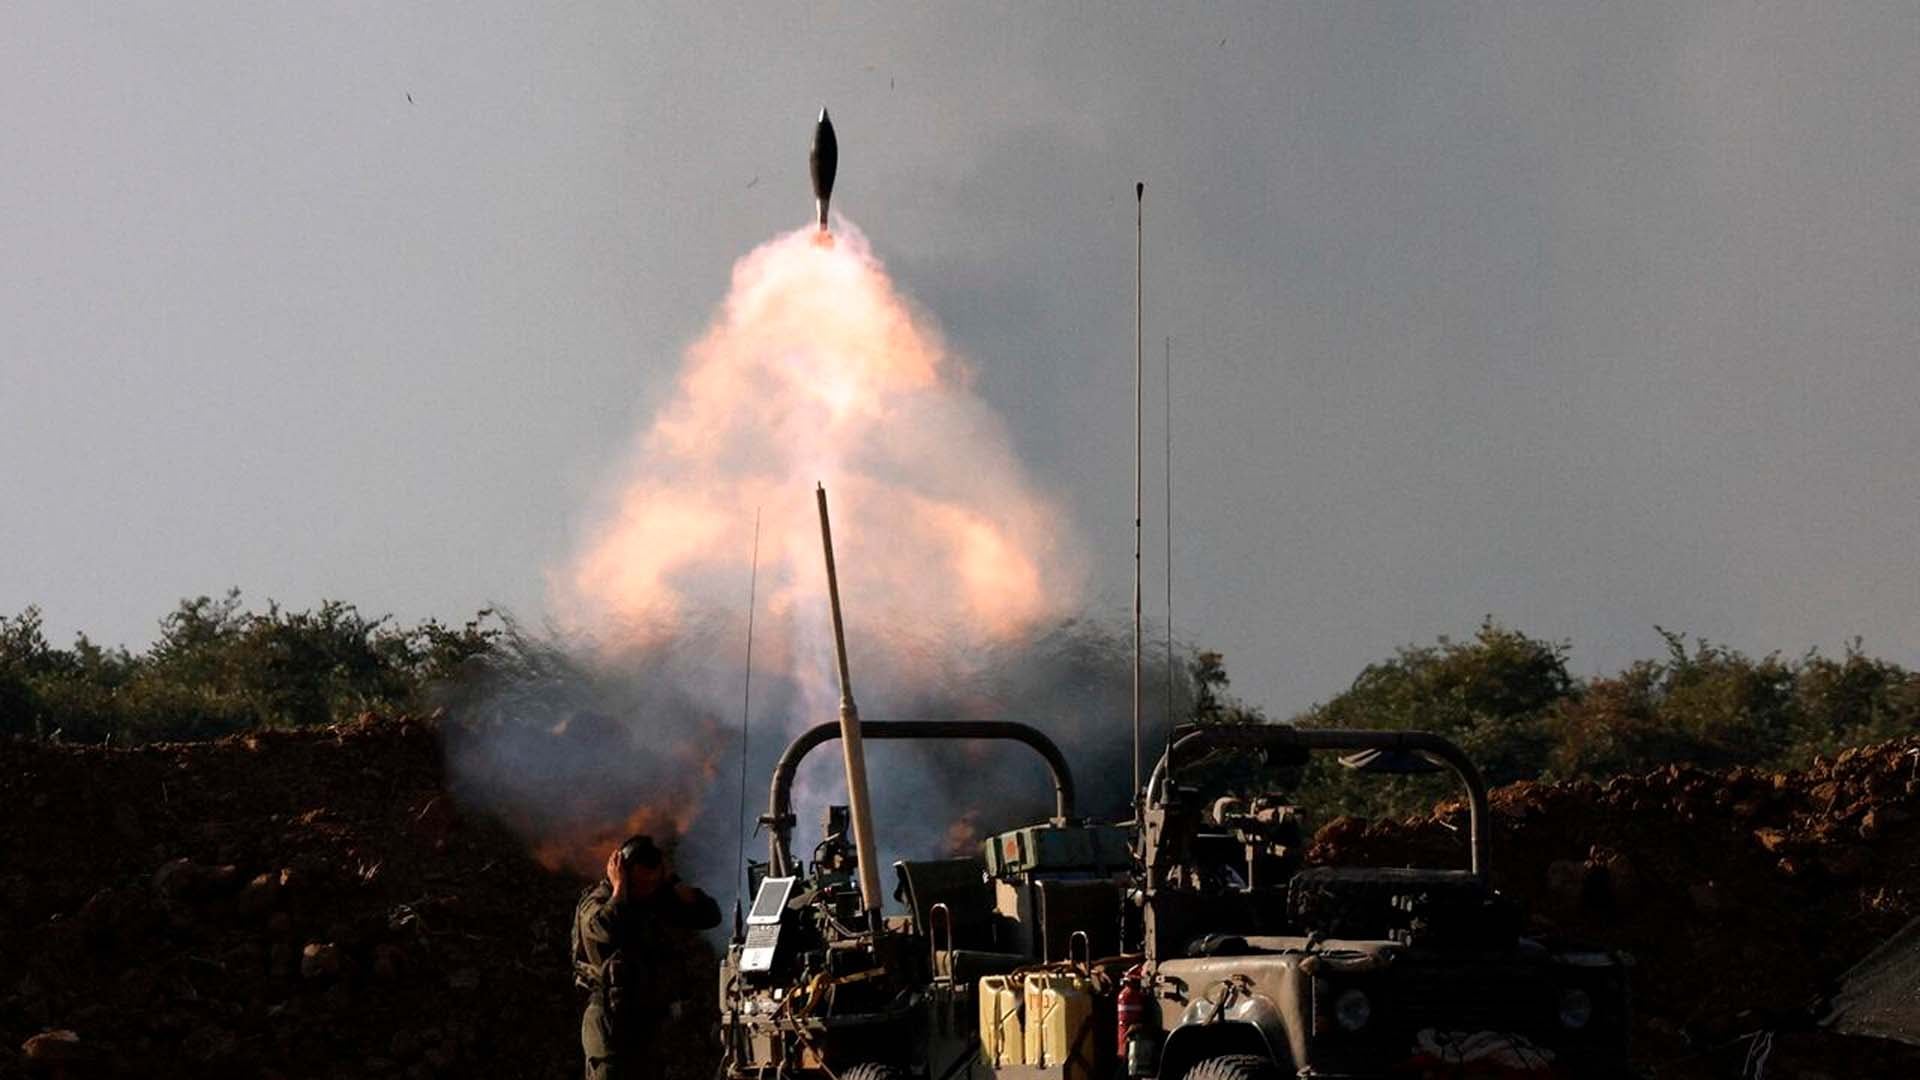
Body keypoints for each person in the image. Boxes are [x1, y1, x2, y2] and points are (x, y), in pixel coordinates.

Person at [572, 834, 721, 1080]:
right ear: (623, 873)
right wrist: (619, 889)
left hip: (647, 1022)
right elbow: (606, 930)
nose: (647, 889)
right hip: (610, 1021)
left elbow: (709, 915)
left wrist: (672, 881)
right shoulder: (598, 900)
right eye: (641, 882)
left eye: (653, 882)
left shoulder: (653, 899)